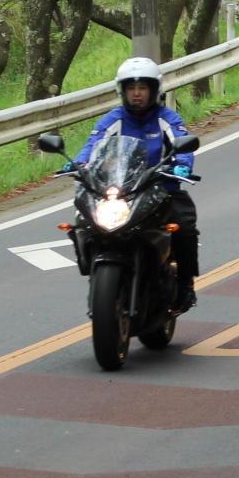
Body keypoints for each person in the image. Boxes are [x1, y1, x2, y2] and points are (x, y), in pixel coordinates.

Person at [72, 57, 201, 310]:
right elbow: (92, 145)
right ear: (123, 91)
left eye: (143, 88)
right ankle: (96, 273)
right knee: (83, 221)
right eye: (131, 88)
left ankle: (185, 285)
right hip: (121, 190)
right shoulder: (114, 119)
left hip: (160, 189)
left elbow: (182, 141)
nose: (137, 94)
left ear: (154, 90)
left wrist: (182, 164)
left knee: (184, 227)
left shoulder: (167, 117)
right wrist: (78, 164)